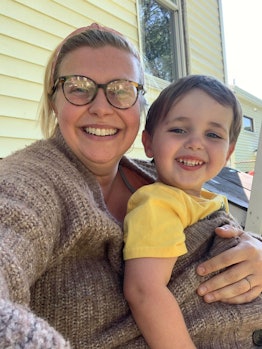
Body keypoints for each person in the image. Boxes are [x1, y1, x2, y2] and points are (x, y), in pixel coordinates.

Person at [0, 23, 262, 349]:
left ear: (139, 104)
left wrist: (255, 250)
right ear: (54, 99)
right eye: (79, 87)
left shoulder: (158, 173)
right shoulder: (31, 183)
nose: (101, 106)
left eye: (121, 89)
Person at [123, 75, 262, 348]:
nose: (196, 143)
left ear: (228, 151)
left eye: (213, 134)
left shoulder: (212, 202)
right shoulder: (158, 203)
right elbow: (144, 291)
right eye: (179, 130)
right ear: (149, 143)